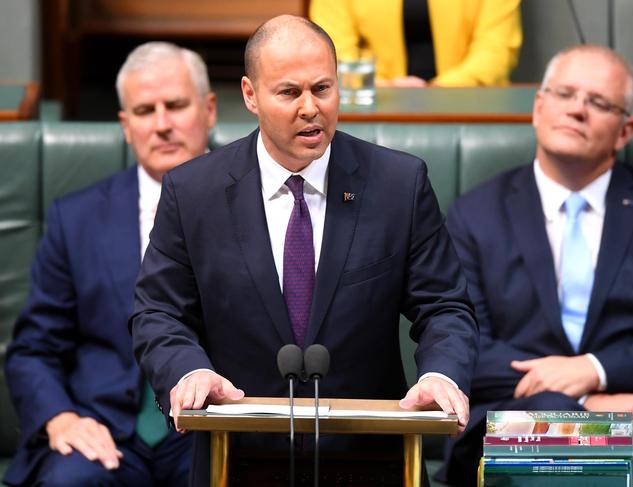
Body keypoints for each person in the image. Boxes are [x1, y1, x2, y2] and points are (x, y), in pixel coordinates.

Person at [130, 14, 478, 486]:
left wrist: (441, 374)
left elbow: (444, 306)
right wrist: (188, 370)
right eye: (289, 93)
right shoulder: (194, 192)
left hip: (369, 459)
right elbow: (157, 312)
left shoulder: (398, 184)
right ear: (251, 95)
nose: (311, 108)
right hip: (237, 457)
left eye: (323, 88)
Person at [3, 41, 216, 487]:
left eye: (175, 105)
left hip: (209, 426)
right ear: (125, 126)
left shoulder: (257, 206)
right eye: (143, 111)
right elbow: (33, 349)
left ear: (209, 109)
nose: (162, 125)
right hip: (102, 429)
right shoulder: (76, 218)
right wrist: (60, 419)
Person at [440, 44, 633, 485]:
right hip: (509, 426)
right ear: (539, 106)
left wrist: (594, 368)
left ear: (626, 131)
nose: (577, 110)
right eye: (564, 94)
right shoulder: (474, 215)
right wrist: (586, 403)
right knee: (546, 433)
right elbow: (465, 346)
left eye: (597, 103)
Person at [310, 0, 522, 87]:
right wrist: (387, 91)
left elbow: (495, 51)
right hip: (373, 107)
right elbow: (332, 50)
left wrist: (433, 92)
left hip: (469, 105)